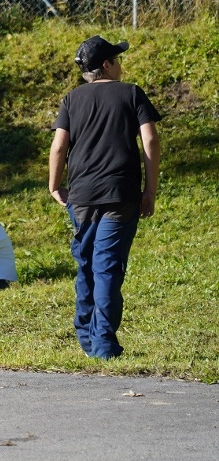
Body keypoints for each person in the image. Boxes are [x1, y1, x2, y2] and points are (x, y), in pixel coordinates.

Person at [49, 35, 161, 360]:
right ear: (107, 65)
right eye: (117, 59)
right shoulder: (130, 93)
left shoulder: (71, 99)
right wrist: (150, 191)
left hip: (81, 196)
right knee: (107, 267)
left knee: (86, 265)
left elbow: (59, 145)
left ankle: (86, 338)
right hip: (120, 195)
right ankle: (103, 347)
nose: (121, 64)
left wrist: (55, 185)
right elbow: (150, 141)